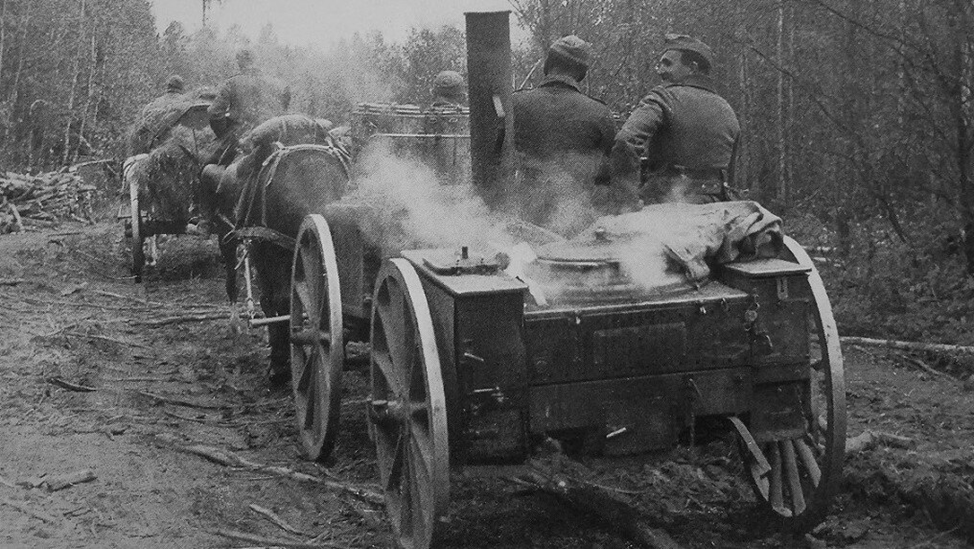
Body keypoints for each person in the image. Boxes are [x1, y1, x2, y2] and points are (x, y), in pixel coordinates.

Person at [611, 34, 740, 205]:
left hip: (666, 204)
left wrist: (626, 199)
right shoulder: (727, 109)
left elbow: (625, 140)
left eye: (667, 64)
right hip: (715, 206)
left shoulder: (663, 97)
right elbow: (729, 175)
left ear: (692, 68)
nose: (660, 71)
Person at [510, 35, 617, 233]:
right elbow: (606, 179)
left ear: (548, 64)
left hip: (524, 219)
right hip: (575, 222)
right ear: (582, 72)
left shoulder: (515, 104)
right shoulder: (599, 113)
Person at [207, 48, 291, 146]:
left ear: (239, 62)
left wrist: (223, 135)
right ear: (256, 60)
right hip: (273, 138)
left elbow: (214, 113)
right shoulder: (277, 84)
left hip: (242, 138)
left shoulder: (232, 83)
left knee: (208, 159)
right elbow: (283, 112)